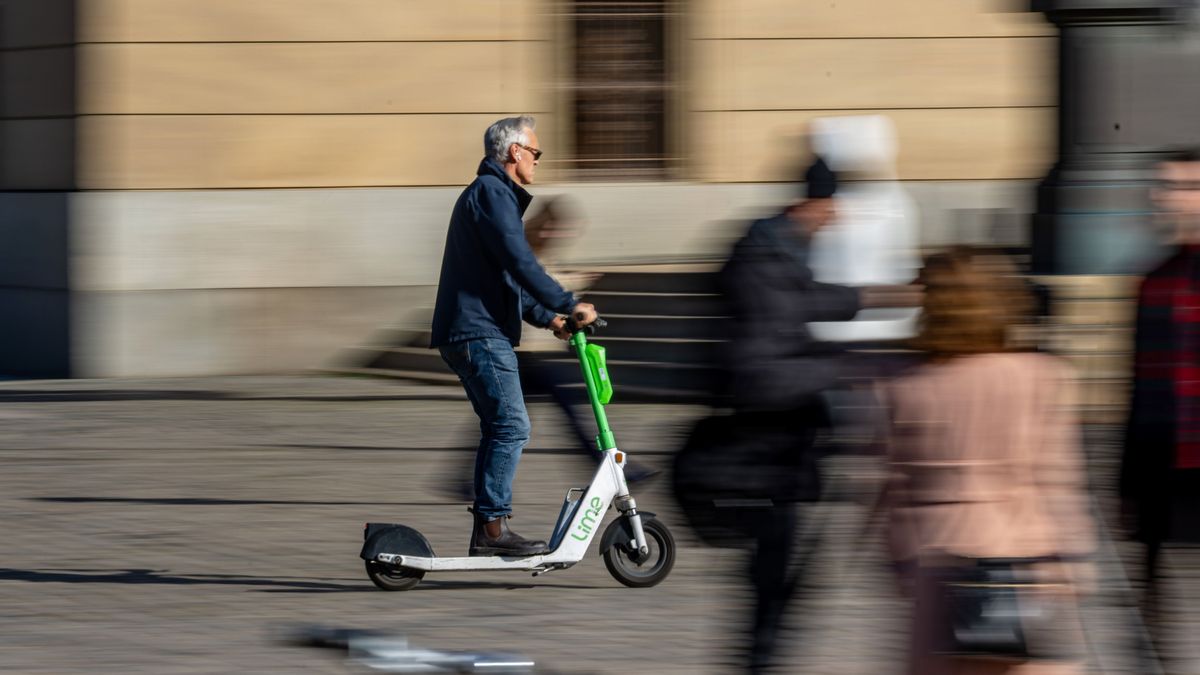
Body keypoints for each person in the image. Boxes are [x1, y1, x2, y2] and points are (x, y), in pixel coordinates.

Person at [716, 156, 917, 672]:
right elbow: (774, 346)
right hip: (766, 433)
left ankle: (763, 652)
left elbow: (806, 304)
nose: (836, 221)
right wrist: (844, 371)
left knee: (781, 566)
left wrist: (886, 297)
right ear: (816, 204)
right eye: (833, 209)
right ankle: (759, 658)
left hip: (783, 433)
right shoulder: (764, 253)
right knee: (774, 566)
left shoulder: (775, 245)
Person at [881, 248, 1094, 675]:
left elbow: (896, 489)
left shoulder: (906, 385)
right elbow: (1057, 479)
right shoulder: (1041, 375)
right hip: (1022, 560)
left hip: (937, 562)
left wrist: (900, 561)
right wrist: (1075, 560)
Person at [430, 115, 597, 557]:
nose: (538, 161)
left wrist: (550, 319)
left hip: (472, 328)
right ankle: (491, 532)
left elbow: (505, 275)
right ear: (514, 152)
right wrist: (569, 302)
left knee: (500, 425)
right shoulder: (491, 193)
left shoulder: (492, 196)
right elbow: (521, 263)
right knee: (511, 425)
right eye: (535, 153)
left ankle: (488, 528)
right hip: (478, 331)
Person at [1122, 148, 1200, 631]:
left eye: (1185, 187)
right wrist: (1126, 483)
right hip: (1162, 466)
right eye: (1163, 186)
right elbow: (1141, 387)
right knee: (1153, 624)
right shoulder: (1154, 282)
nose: (1166, 198)